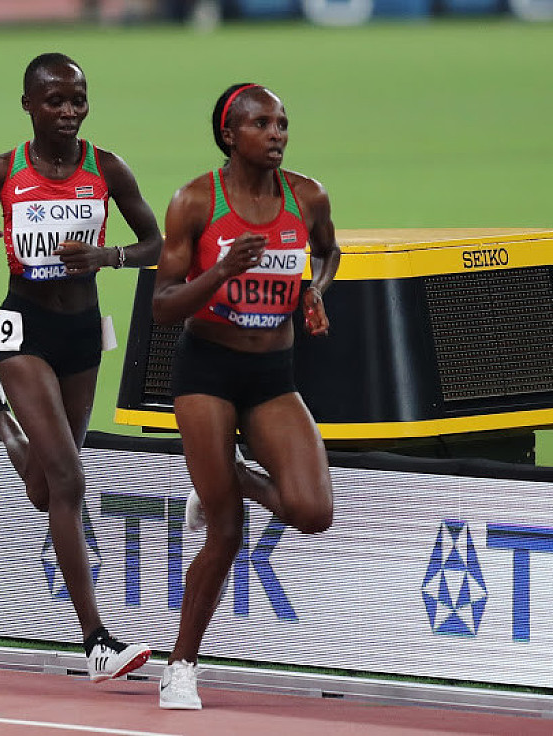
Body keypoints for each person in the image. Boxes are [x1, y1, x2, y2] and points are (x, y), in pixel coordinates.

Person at [0, 52, 162, 683]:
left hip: (81, 333)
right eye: (55, 101)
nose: (69, 111)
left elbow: (155, 243)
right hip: (24, 330)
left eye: (78, 99)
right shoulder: (3, 170)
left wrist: (107, 256)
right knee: (69, 483)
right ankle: (96, 640)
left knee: (47, 490)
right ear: (28, 106)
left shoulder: (107, 167)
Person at [151, 83, 340, 709]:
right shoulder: (195, 202)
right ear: (229, 135)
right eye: (262, 124)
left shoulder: (307, 197)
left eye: (282, 123)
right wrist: (222, 272)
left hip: (272, 375)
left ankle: (223, 474)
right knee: (227, 529)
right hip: (208, 371)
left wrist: (314, 289)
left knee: (311, 511)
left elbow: (329, 251)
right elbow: (162, 307)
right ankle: (181, 666)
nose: (277, 134)